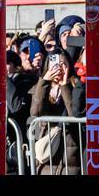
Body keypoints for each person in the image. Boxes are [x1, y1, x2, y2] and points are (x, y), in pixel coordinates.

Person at [28, 46, 84, 174]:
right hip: (47, 155)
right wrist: (44, 82)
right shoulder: (40, 87)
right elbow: (36, 113)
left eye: (63, 64)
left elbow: (74, 115)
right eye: (55, 64)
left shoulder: (76, 86)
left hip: (69, 158)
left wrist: (64, 86)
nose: (59, 68)